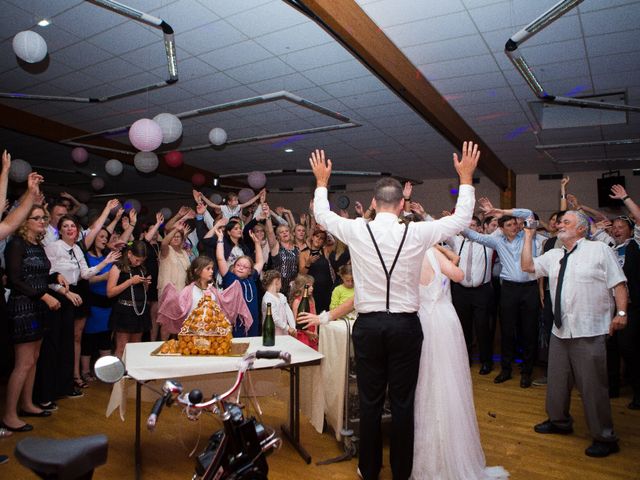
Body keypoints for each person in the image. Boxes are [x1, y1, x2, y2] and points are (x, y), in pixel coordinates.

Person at [308, 142, 478, 480]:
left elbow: (322, 216)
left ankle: (369, 470)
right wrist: (466, 177)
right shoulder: (417, 232)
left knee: (370, 404)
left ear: (373, 202)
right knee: (403, 404)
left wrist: (322, 182)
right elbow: (461, 220)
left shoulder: (356, 229)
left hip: (369, 326)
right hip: (405, 328)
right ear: (402, 204)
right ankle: (402, 472)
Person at [521, 210, 627, 457]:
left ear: (581, 228)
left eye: (566, 222)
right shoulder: (554, 254)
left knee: (593, 387)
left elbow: (618, 282)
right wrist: (528, 236)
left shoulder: (599, 250)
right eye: (559, 222)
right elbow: (527, 266)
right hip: (561, 330)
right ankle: (559, 422)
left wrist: (621, 313)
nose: (559, 224)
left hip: (589, 330)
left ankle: (605, 437)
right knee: (557, 383)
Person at [412, 247, 508, 479]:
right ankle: (451, 449)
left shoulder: (407, 254)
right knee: (448, 381)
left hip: (421, 319)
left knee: (424, 382)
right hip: (445, 320)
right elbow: (459, 275)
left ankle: (428, 454)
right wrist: (439, 249)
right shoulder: (432, 254)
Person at [2, 204, 68, 432]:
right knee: (23, 363)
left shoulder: (38, 245)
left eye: (43, 218)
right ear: (24, 222)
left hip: (39, 307)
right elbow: (15, 279)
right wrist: (44, 296)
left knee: (35, 358)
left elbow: (38, 274)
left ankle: (27, 403)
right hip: (24, 308)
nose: (42, 221)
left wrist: (55, 275)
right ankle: (9, 415)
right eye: (36, 218)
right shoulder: (15, 244)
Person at [462, 198, 541, 388]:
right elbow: (475, 236)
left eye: (515, 223)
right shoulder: (496, 241)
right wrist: (458, 222)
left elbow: (529, 213)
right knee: (506, 330)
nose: (514, 226)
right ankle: (505, 370)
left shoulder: (528, 235)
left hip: (530, 289)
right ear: (502, 228)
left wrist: (504, 211)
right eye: (509, 224)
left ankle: (526, 372)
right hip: (509, 290)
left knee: (529, 331)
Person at [157, 256, 251, 337]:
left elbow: (222, 305)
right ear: (197, 271)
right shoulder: (189, 290)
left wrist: (234, 291)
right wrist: (171, 298)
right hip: (192, 334)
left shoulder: (212, 290)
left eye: (212, 269)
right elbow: (180, 310)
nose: (211, 271)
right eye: (208, 268)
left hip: (211, 333)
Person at [448, 215, 495, 375]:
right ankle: (465, 359)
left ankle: (486, 361)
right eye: (467, 225)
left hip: (482, 292)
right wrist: (422, 214)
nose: (470, 228)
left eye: (473, 225)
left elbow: (500, 229)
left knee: (483, 328)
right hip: (461, 292)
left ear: (479, 228)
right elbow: (439, 230)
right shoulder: (457, 241)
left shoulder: (487, 242)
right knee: (463, 327)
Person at [215, 221, 264, 337]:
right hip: (236, 322)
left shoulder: (251, 278)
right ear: (233, 267)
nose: (241, 268)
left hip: (253, 321)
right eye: (238, 265)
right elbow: (220, 259)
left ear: (250, 270)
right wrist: (220, 239)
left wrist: (257, 243)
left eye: (245, 266)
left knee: (252, 346)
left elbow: (260, 261)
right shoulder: (230, 278)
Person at [106, 241, 151, 359]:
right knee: (122, 347)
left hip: (139, 310)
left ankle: (133, 374)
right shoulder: (118, 267)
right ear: (129, 253)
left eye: (142, 260)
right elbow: (110, 292)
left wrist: (145, 284)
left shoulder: (141, 268)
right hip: (124, 311)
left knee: (135, 347)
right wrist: (130, 282)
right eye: (137, 259)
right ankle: (119, 376)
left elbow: (143, 292)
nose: (139, 263)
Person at [298, 228, 334, 313]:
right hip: (312, 290)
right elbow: (301, 274)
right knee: (314, 313)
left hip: (327, 288)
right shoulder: (304, 253)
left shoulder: (325, 250)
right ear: (312, 237)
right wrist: (308, 263)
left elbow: (333, 242)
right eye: (317, 236)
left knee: (326, 314)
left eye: (321, 238)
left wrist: (325, 230)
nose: (318, 239)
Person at [261, 270, 296, 336]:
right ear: (276, 282)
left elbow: (288, 312)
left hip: (283, 333)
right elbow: (274, 318)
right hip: (271, 333)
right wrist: (287, 328)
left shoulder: (281, 296)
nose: (281, 285)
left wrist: (293, 327)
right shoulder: (268, 298)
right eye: (280, 282)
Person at [290, 274, 318, 349]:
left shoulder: (312, 300)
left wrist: (315, 331)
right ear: (301, 287)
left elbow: (315, 315)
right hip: (302, 334)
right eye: (309, 286)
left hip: (312, 334)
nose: (312, 288)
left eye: (312, 286)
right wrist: (308, 333)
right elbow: (297, 321)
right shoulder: (297, 301)